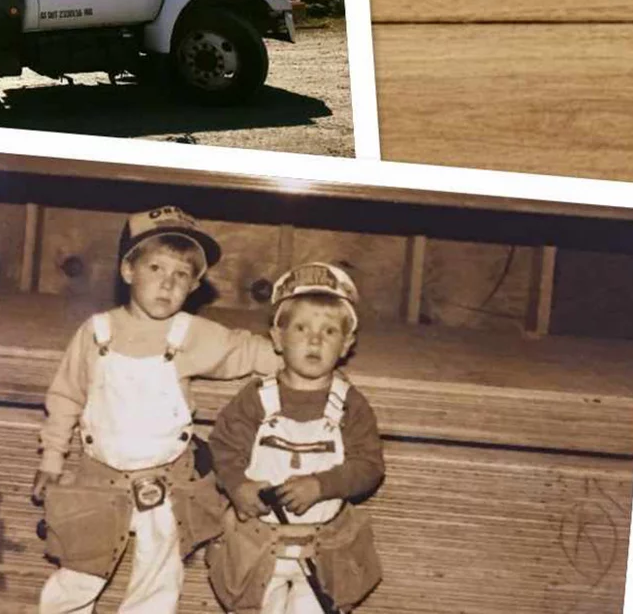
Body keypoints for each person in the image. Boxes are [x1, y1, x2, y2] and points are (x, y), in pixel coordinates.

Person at [33, 205, 280, 614]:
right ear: (128, 270)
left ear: (194, 286)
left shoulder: (189, 334)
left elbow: (245, 349)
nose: (167, 284)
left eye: (181, 275)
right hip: (99, 479)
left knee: (159, 579)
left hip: (164, 484)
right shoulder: (97, 333)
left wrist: (301, 361)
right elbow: (65, 397)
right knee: (77, 575)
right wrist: (52, 458)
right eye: (156, 269)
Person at [206, 262, 385, 614]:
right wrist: (239, 486)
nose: (315, 339)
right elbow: (224, 448)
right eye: (301, 327)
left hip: (323, 547)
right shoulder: (257, 398)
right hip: (258, 545)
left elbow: (369, 466)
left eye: (330, 331)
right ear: (277, 336)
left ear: (346, 343)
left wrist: (322, 485)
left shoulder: (349, 404)